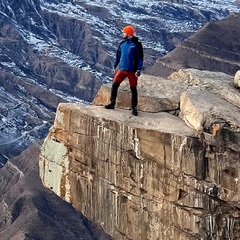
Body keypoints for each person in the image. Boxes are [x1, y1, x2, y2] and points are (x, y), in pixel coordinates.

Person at [105, 25, 144, 116]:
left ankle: (134, 108)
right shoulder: (122, 44)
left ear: (129, 34)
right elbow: (118, 56)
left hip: (132, 71)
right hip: (122, 70)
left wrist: (138, 69)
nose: (123, 34)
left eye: (124, 32)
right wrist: (114, 67)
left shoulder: (136, 44)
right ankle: (112, 103)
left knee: (133, 89)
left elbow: (140, 58)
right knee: (114, 85)